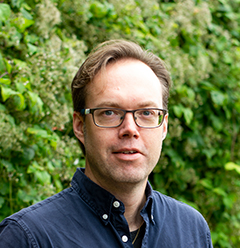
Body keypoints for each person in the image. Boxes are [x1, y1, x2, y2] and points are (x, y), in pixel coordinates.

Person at [0, 40, 213, 247]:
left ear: (163, 126)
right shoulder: (27, 238)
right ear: (80, 126)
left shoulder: (191, 229)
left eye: (147, 113)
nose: (130, 128)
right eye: (109, 112)